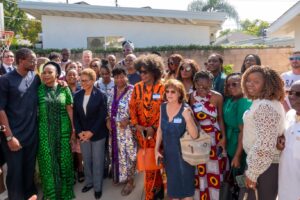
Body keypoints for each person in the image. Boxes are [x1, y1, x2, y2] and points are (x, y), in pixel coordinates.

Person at [0, 48, 40, 200]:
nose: (35, 62)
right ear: (21, 60)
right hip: (14, 137)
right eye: (32, 59)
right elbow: (0, 110)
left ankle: (30, 195)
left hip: (32, 135)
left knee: (29, 171)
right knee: (15, 173)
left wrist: (61, 83)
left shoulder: (35, 77)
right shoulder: (5, 80)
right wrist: (9, 137)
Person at [241, 65, 285, 200]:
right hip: (257, 163)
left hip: (263, 167)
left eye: (256, 81)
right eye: (248, 80)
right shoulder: (261, 102)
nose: (250, 84)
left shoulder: (265, 105)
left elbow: (265, 144)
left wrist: (252, 174)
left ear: (267, 84)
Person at [155, 79, 198, 200]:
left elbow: (195, 135)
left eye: (173, 92)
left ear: (180, 93)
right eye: (167, 91)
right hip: (169, 156)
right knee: (173, 191)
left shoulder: (186, 109)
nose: (169, 94)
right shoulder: (163, 107)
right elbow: (160, 130)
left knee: (186, 193)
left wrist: (188, 119)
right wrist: (156, 150)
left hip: (185, 158)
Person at [129, 54, 165, 200]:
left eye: (145, 72)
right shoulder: (137, 88)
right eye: (140, 72)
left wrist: (154, 127)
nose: (142, 75)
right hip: (142, 134)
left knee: (157, 165)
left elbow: (166, 110)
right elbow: (132, 108)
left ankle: (152, 193)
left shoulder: (163, 88)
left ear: (154, 71)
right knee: (149, 165)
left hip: (159, 135)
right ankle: (154, 192)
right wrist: (136, 124)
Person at [37, 61, 75, 199]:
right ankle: (50, 195)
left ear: (57, 74)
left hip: (64, 133)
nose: (46, 75)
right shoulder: (38, 89)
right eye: (44, 72)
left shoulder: (64, 89)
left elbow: (70, 109)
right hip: (44, 134)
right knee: (48, 164)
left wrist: (74, 130)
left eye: (50, 72)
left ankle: (65, 194)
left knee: (64, 163)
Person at [189, 71, 227, 200]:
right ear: (195, 84)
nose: (203, 90)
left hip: (214, 139)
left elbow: (220, 118)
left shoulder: (217, 97)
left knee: (213, 169)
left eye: (206, 87)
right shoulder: (191, 97)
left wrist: (223, 137)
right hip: (197, 138)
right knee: (199, 170)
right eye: (199, 86)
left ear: (212, 84)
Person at [73, 68, 108, 199]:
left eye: (86, 80)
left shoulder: (101, 95)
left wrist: (91, 132)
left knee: (98, 161)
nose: (83, 83)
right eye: (81, 80)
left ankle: (98, 187)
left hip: (97, 134)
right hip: (82, 134)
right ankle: (89, 182)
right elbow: (75, 116)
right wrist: (80, 132)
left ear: (93, 80)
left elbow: (102, 116)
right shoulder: (77, 95)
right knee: (86, 160)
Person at [106, 67, 137, 195]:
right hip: (113, 129)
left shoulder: (133, 90)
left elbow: (138, 109)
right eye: (116, 77)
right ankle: (120, 176)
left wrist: (129, 119)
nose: (119, 79)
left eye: (121, 76)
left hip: (127, 130)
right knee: (116, 153)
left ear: (126, 76)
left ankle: (130, 181)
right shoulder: (111, 91)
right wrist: (107, 119)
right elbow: (107, 108)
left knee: (129, 153)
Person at [223, 73, 252, 183]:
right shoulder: (230, 100)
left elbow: (243, 131)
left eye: (234, 84)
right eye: (228, 85)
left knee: (239, 179)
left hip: (238, 145)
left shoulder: (243, 102)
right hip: (230, 142)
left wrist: (237, 156)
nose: (231, 87)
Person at [278, 80, 300, 199]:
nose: (292, 97)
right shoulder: (289, 114)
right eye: (290, 92)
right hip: (285, 182)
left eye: (298, 94)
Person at [65, 68, 84, 183]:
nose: (72, 76)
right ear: (65, 76)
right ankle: (71, 171)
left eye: (74, 74)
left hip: (80, 122)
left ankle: (81, 169)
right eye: (69, 74)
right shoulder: (62, 89)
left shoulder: (82, 89)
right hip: (66, 123)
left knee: (79, 149)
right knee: (70, 148)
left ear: (78, 77)